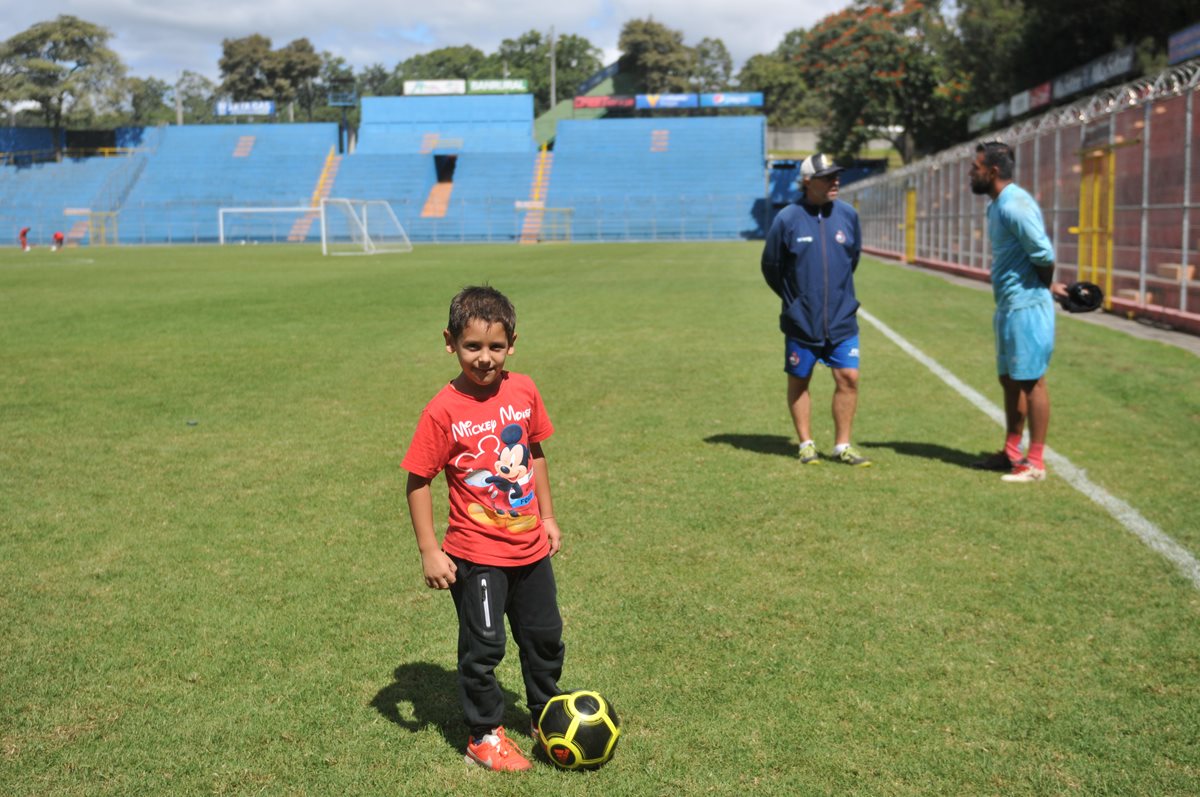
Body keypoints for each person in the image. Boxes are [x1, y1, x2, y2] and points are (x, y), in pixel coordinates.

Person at [402, 285, 565, 771]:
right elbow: (417, 479)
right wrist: (430, 550)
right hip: (476, 553)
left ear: (512, 342)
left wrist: (550, 518)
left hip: (531, 546)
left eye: (495, 346)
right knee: (484, 646)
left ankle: (545, 712)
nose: (485, 358)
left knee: (545, 636)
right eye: (473, 346)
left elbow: (534, 454)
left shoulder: (525, 390)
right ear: (450, 342)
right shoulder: (442, 410)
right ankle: (483, 734)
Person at [761, 153, 871, 467]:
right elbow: (771, 267)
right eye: (828, 177)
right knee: (800, 379)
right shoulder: (787, 218)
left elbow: (853, 259)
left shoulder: (848, 216)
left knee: (848, 378)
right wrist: (795, 302)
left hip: (841, 318)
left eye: (837, 176)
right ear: (808, 181)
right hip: (802, 320)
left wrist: (838, 298)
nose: (836, 181)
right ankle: (806, 444)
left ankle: (842, 446)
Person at [968, 141, 1068, 483]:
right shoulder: (995, 207)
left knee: (1032, 381)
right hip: (1009, 305)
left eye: (975, 167)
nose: (971, 172)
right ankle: (1012, 453)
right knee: (1009, 380)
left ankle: (1035, 462)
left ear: (992, 171)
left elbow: (1043, 255)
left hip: (1026, 307)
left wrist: (1043, 289)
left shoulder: (1015, 205)